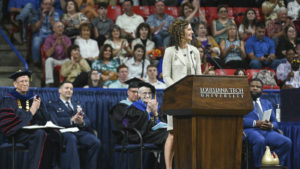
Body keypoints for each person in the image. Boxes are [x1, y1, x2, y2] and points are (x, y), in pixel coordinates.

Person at [0, 70, 61, 169]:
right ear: (15, 84)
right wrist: (33, 110)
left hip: (34, 131)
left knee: (54, 135)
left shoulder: (34, 98)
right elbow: (10, 122)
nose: (25, 84)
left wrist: (41, 113)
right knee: (40, 134)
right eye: (22, 81)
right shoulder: (8, 99)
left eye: (27, 81)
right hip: (17, 133)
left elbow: (45, 118)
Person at [162, 19, 202, 169]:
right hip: (176, 98)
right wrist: (176, 90)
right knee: (173, 132)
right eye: (189, 30)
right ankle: (168, 167)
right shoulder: (170, 51)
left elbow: (198, 75)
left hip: (192, 100)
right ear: (181, 32)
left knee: (191, 133)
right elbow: (166, 75)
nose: (192, 32)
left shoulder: (195, 51)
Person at [47, 81, 101, 169]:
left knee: (95, 142)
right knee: (72, 139)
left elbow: (87, 120)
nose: (69, 90)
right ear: (59, 90)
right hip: (63, 133)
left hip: (78, 132)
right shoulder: (52, 105)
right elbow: (54, 121)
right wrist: (70, 120)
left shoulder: (77, 104)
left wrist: (81, 122)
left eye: (71, 89)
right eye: (66, 88)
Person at [243, 78, 292, 168]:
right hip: (250, 130)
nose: (255, 88)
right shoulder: (242, 102)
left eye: (258, 87)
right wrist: (254, 123)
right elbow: (239, 120)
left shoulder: (267, 103)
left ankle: (273, 164)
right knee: (260, 140)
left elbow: (275, 122)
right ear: (248, 88)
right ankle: (259, 166)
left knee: (286, 142)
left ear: (262, 90)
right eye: (252, 86)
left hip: (267, 131)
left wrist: (271, 125)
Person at [30, 0, 60, 65]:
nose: (47, 6)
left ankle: (55, 61)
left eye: (49, 4)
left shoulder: (55, 14)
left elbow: (58, 29)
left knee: (57, 40)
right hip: (39, 34)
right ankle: (36, 61)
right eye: (45, 4)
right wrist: (42, 18)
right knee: (36, 41)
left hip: (51, 34)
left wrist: (50, 17)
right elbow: (34, 28)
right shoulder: (36, 13)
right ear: (42, 5)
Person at [44, 21, 71, 87]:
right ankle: (49, 83)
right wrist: (55, 44)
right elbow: (47, 54)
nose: (60, 28)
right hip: (54, 60)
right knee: (48, 60)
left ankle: (69, 82)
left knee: (70, 61)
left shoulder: (67, 39)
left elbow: (70, 54)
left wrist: (64, 44)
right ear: (54, 29)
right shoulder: (49, 39)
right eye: (58, 27)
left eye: (62, 27)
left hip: (64, 59)